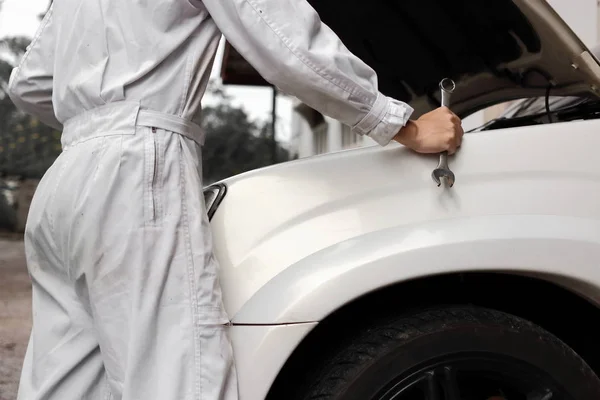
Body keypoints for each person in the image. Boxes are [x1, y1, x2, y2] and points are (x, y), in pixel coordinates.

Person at [8, 0, 463, 399]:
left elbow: (28, 84)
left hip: (67, 174)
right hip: (134, 165)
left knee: (64, 383)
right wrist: (401, 124)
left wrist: (100, 112)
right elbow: (282, 36)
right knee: (176, 381)